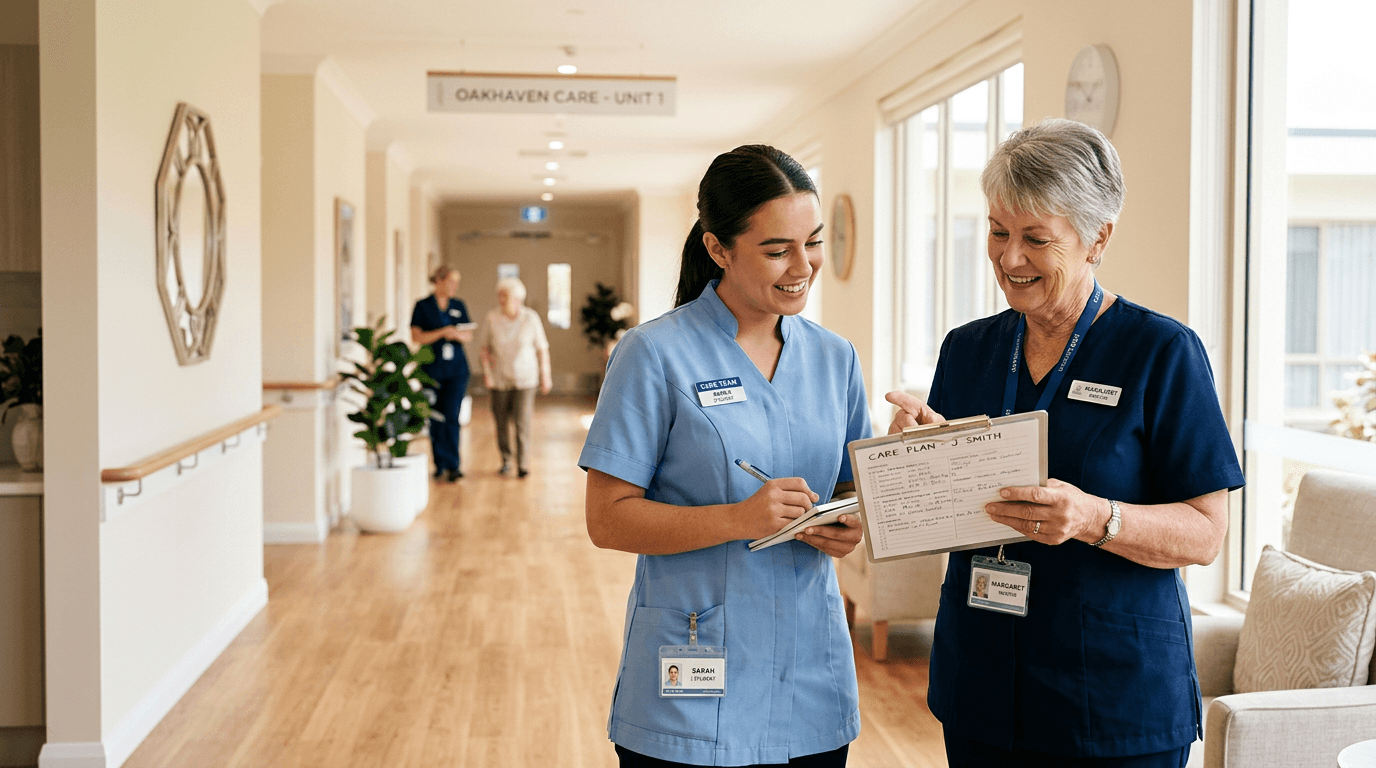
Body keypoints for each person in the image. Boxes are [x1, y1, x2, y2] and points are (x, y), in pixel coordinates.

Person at [886, 118, 1245, 767]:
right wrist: (918, 464)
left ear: (1097, 238)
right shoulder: (967, 351)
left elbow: (1206, 533)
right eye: (998, 232)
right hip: (983, 681)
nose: (1009, 257)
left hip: (1111, 697)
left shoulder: (1161, 352)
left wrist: (1094, 517)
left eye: (1035, 239)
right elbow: (942, 514)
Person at [580, 145, 871, 768]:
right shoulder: (654, 354)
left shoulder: (835, 358)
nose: (803, 266)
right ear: (718, 249)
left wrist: (850, 522)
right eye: (776, 250)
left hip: (809, 678)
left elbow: (850, 488)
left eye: (812, 242)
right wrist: (738, 519)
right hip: (692, 668)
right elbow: (607, 519)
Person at [477, 276, 552, 478]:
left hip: (526, 379)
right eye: (499, 295)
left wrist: (546, 375)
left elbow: (542, 348)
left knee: (522, 422)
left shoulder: (531, 318)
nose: (501, 300)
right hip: (499, 378)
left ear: (518, 299)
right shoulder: (492, 318)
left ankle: (523, 464)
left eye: (505, 296)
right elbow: (484, 349)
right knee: (501, 422)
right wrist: (487, 374)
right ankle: (506, 460)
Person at [411, 265, 474, 482]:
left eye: (457, 283)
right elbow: (417, 337)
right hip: (431, 371)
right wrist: (442, 333)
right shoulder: (423, 306)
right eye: (451, 282)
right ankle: (440, 463)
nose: (454, 287)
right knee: (436, 417)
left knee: (452, 416)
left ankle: (454, 464)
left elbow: (468, 335)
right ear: (438, 281)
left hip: (456, 371)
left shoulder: (458, 305)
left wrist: (455, 334)